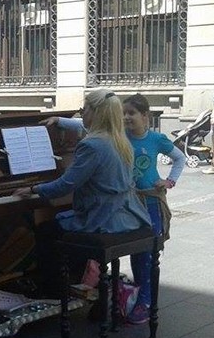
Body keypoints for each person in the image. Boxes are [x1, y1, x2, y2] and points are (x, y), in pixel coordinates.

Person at [13, 90, 152, 295]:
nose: (82, 114)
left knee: (45, 230)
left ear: (95, 112)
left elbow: (65, 185)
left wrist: (33, 189)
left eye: (83, 109)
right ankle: (75, 280)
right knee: (57, 224)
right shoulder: (120, 140)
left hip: (104, 217)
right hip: (127, 214)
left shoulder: (92, 144)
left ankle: (53, 290)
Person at [121, 94, 186, 324]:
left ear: (145, 116)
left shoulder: (157, 139)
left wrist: (169, 181)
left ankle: (146, 302)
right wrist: (60, 120)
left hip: (150, 203)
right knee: (134, 254)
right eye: (124, 113)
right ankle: (139, 296)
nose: (127, 117)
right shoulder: (120, 136)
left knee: (148, 254)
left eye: (132, 113)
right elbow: (91, 126)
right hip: (130, 205)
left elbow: (180, 159)